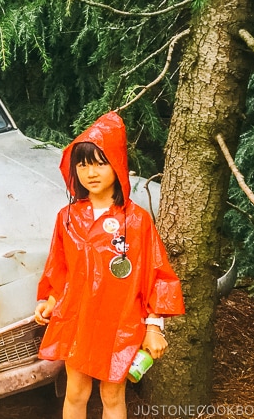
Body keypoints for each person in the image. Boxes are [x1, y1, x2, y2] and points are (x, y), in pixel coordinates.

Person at [34, 111, 185, 419]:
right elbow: (59, 268)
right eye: (83, 163)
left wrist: (154, 327)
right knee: (75, 391)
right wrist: (50, 300)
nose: (91, 172)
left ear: (117, 164)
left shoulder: (137, 221)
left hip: (121, 324)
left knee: (113, 394)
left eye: (100, 162)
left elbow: (157, 275)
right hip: (80, 321)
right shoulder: (67, 218)